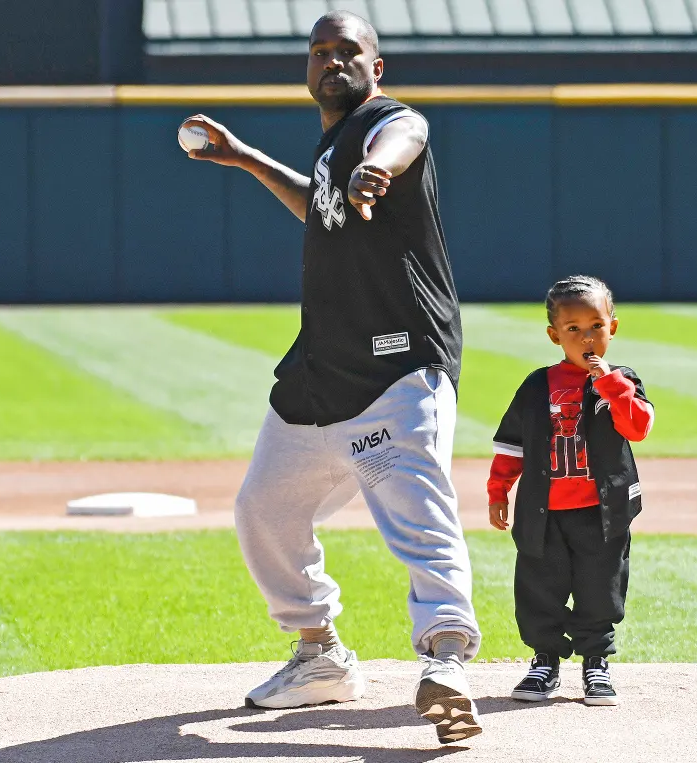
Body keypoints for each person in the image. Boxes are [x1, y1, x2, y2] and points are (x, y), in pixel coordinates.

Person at [180, 10, 482, 745]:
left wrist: (381, 165)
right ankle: (318, 654)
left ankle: (446, 662)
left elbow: (403, 140)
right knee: (263, 508)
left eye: (349, 51)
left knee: (417, 514)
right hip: (320, 371)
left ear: (377, 68)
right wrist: (249, 158)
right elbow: (320, 210)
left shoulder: (390, 122)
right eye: (320, 51)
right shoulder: (330, 148)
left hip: (395, 368)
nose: (332, 60)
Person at [487, 275, 654, 706]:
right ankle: (545, 661)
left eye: (596, 326)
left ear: (612, 327)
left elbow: (638, 427)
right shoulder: (536, 385)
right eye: (573, 329)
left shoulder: (623, 380)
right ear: (554, 335)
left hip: (601, 512)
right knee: (539, 587)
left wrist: (611, 383)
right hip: (544, 513)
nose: (587, 338)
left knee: (601, 587)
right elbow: (512, 444)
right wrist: (498, 490)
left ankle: (596, 663)